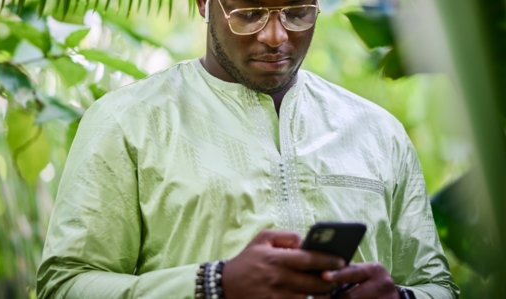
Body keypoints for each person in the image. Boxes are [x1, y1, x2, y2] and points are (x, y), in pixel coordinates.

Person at [36, 0, 459, 297]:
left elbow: (436, 286)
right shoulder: (126, 122)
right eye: (249, 13)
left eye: (296, 13)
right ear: (203, 3)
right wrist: (212, 285)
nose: (276, 37)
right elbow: (65, 286)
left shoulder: (378, 132)